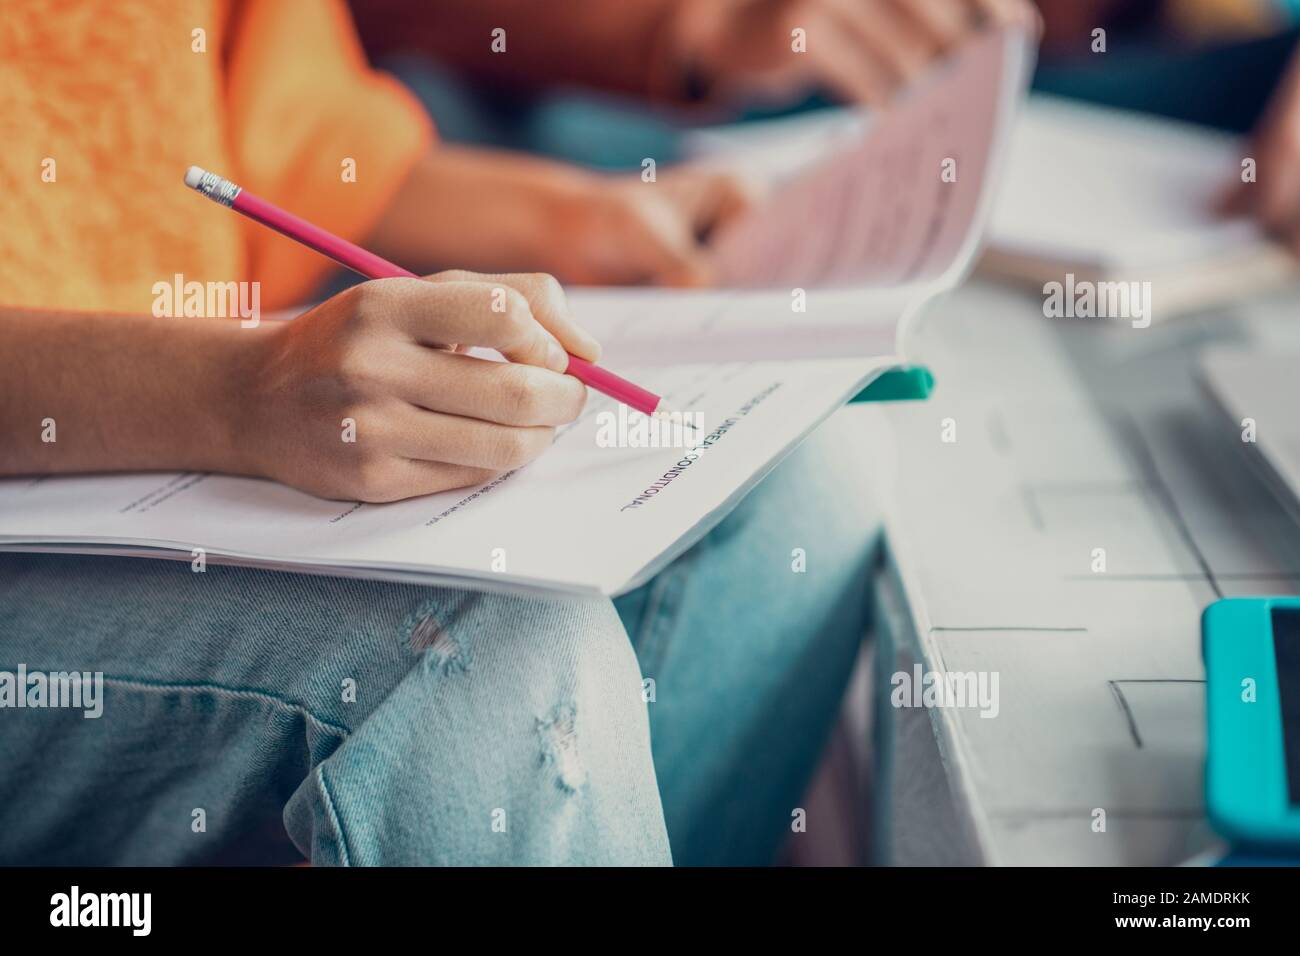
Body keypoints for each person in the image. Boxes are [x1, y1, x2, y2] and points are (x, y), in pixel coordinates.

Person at [0, 0, 999, 864]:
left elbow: (264, 133)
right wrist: (230, 393)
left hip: (191, 399)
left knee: (795, 477)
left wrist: (577, 224)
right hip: (131, 434)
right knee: (487, 658)